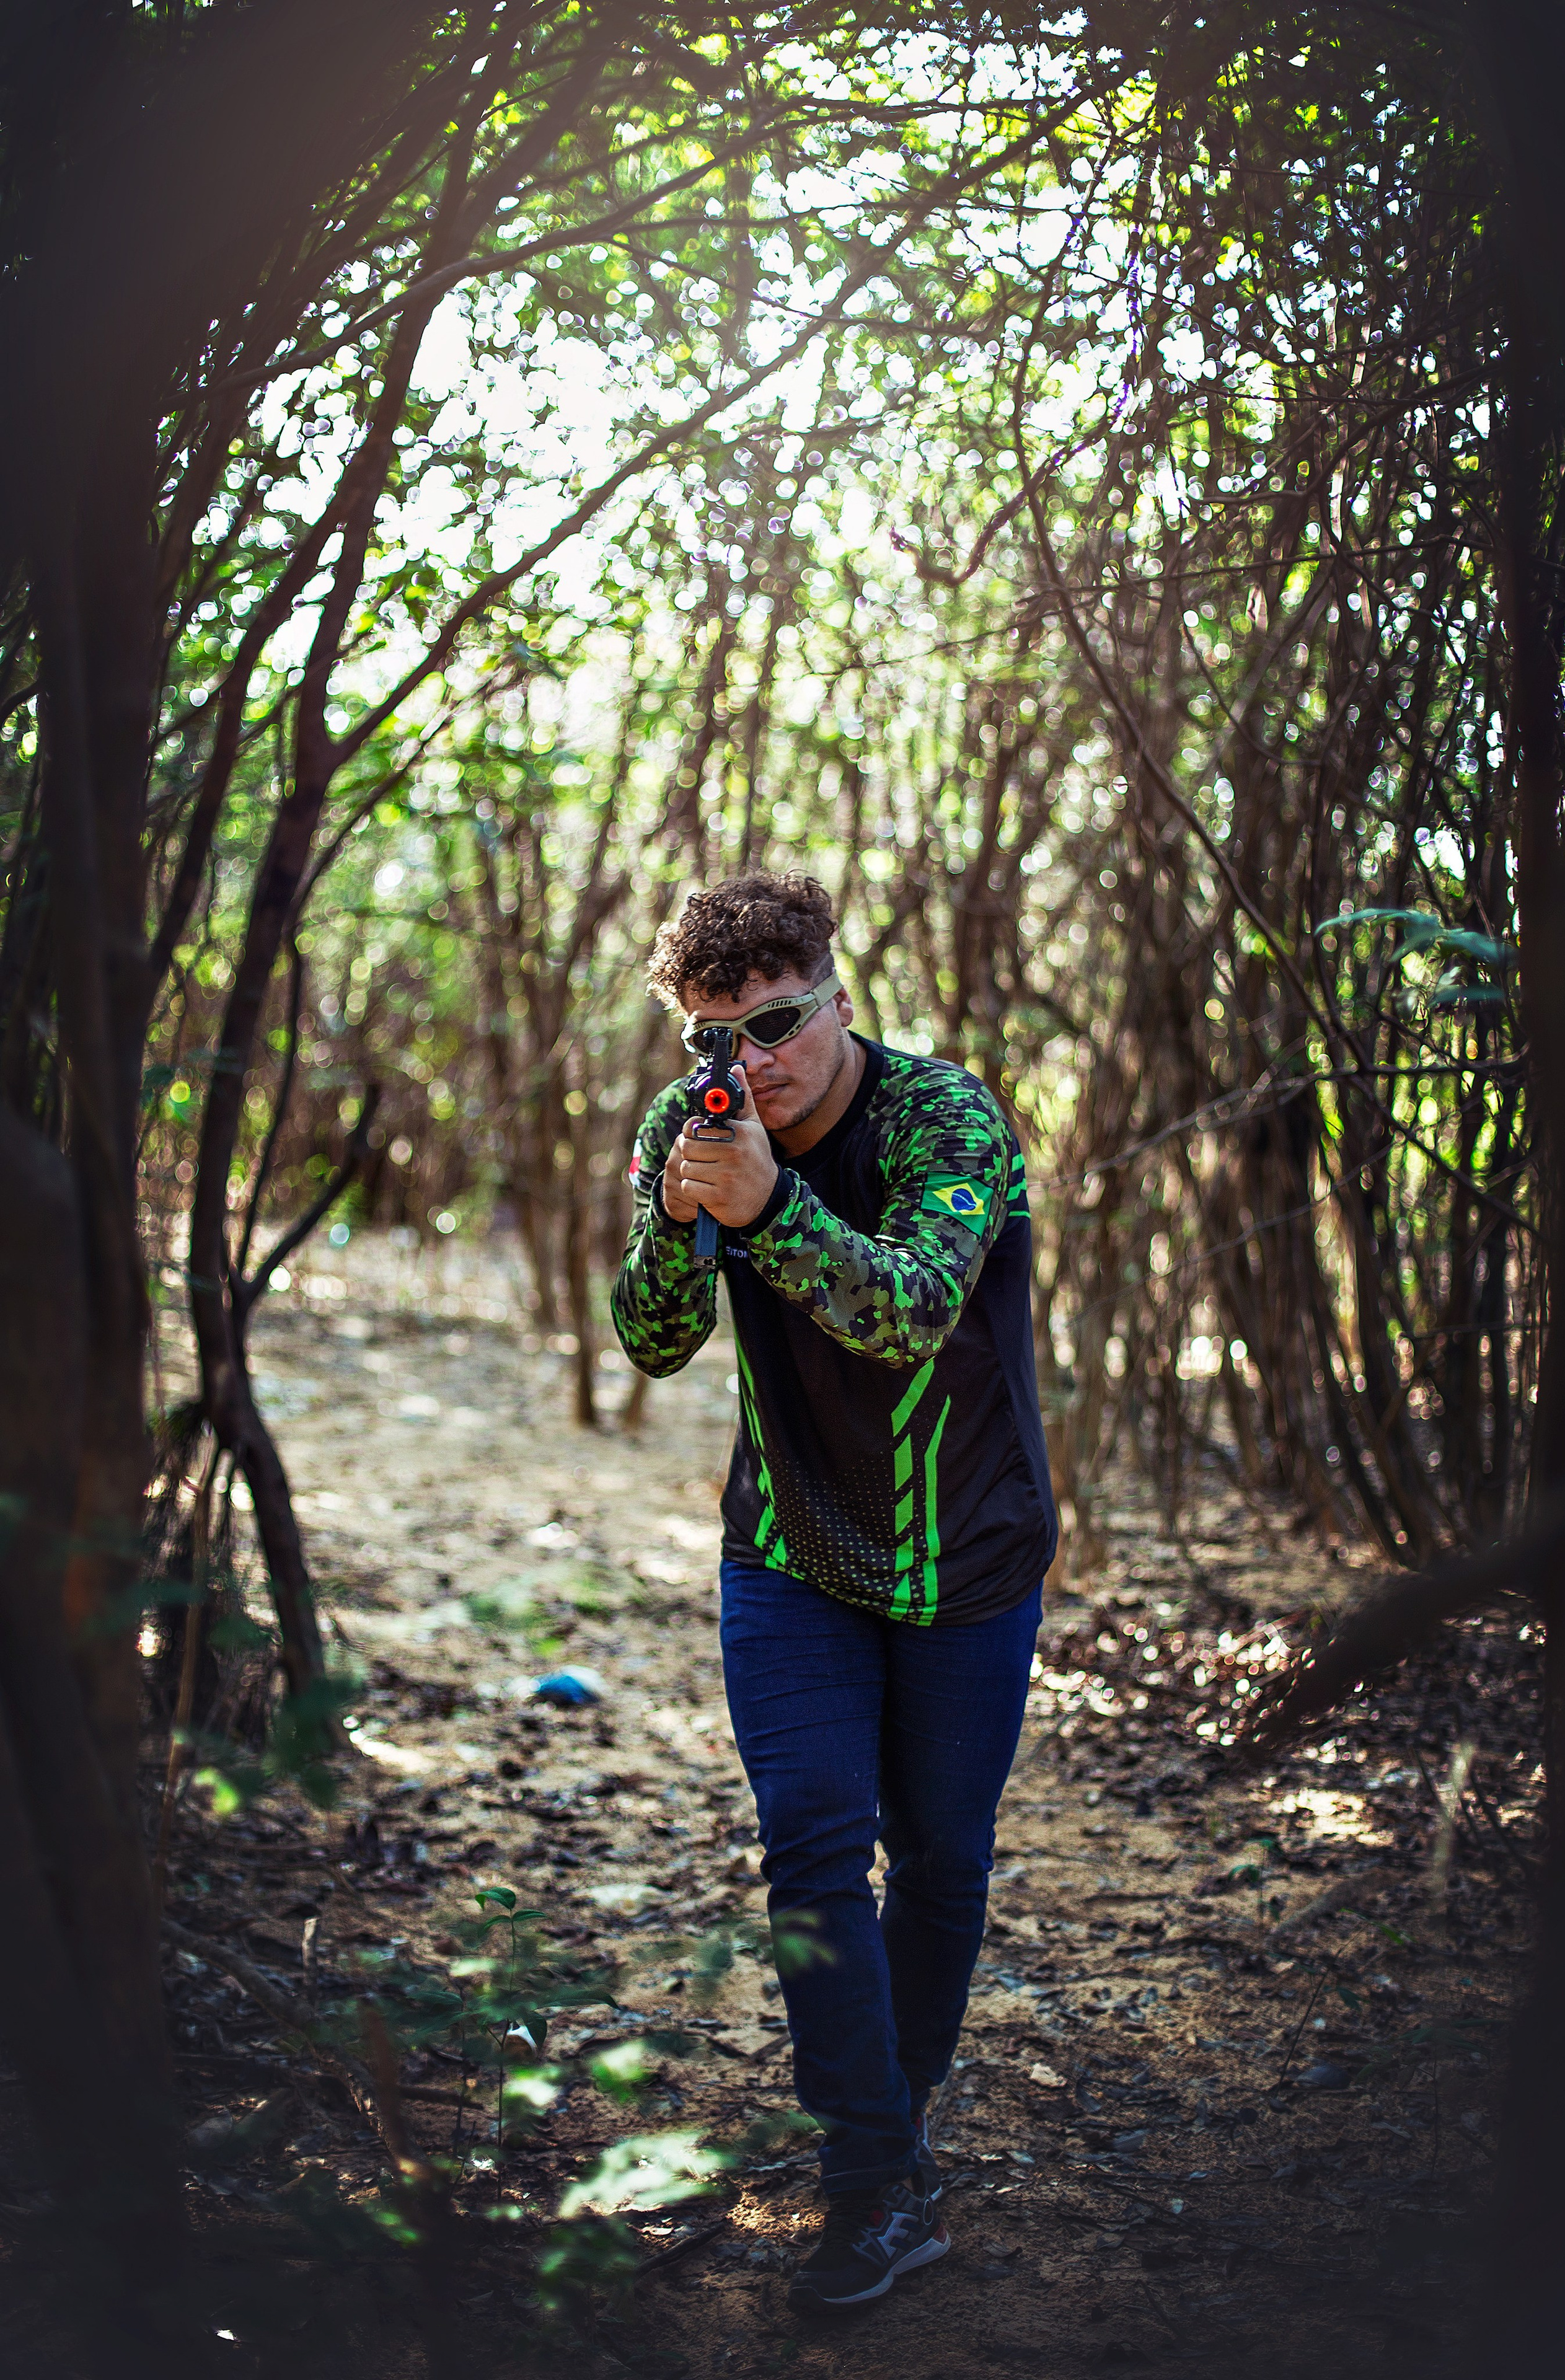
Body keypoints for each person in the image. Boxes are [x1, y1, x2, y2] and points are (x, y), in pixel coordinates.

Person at [611, 873, 1057, 2314]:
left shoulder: (944, 1117)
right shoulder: (689, 1126)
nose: (750, 1062)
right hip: (791, 1551)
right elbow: (651, 1341)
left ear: (838, 996)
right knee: (810, 1849)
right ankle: (867, 2174)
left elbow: (911, 1311)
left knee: (938, 1865)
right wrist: (680, 1215)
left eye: (778, 1024)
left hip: (964, 1555)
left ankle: (895, 2120)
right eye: (714, 1036)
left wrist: (770, 1208)